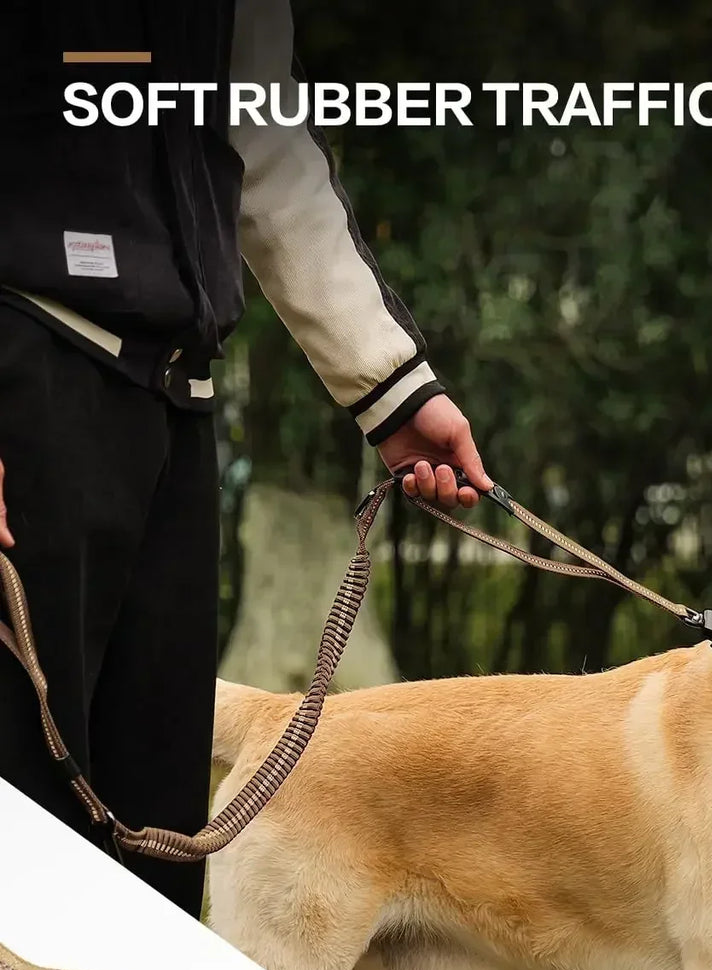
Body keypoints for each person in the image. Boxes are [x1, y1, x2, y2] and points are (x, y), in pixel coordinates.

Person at [0, 0, 491, 919]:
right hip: (26, 374)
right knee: (16, 831)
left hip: (175, 415)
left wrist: (390, 388)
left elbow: (264, 141)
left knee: (151, 852)